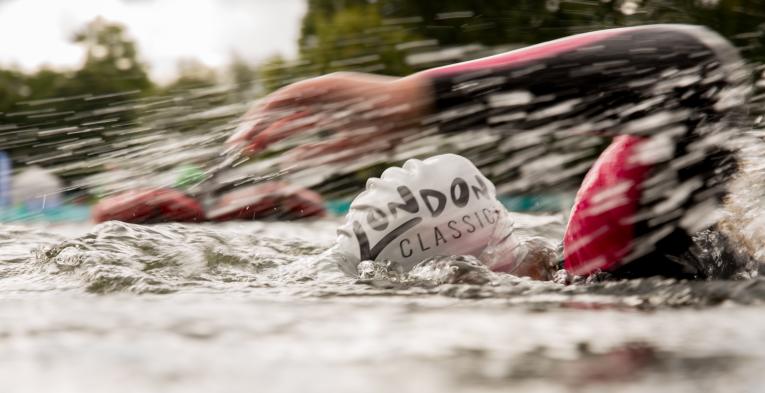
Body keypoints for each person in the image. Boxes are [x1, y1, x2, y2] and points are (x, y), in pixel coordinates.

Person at [227, 24, 752, 280]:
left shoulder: (599, 264)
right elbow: (697, 67)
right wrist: (423, 97)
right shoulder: (610, 252)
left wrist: (416, 97)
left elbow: (692, 71)